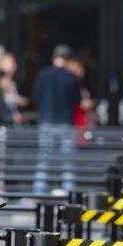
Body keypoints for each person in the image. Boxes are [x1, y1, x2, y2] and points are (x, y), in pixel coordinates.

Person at [32, 44, 81, 195]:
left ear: (54, 58)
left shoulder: (43, 74)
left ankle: (38, 191)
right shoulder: (71, 77)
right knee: (68, 161)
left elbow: (35, 97)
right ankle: (69, 192)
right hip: (66, 123)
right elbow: (77, 100)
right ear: (68, 60)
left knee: (44, 159)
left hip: (46, 121)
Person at [0, 52, 28, 125]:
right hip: (2, 123)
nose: (14, 66)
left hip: (12, 123)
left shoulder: (12, 83)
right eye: (11, 62)